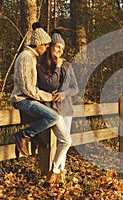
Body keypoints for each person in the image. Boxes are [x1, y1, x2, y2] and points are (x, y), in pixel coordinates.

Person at [11, 22, 59, 157]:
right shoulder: (26, 58)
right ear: (38, 44)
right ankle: (23, 135)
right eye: (45, 45)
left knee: (51, 113)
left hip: (27, 98)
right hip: (22, 100)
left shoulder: (31, 57)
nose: (47, 48)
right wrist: (49, 97)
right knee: (53, 116)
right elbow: (27, 88)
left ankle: (34, 136)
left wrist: (49, 95)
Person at [37, 30, 78, 186]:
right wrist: (58, 67)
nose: (60, 51)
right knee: (64, 140)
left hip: (66, 108)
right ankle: (54, 171)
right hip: (51, 108)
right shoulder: (42, 64)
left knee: (64, 143)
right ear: (50, 47)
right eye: (57, 47)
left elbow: (75, 88)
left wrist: (64, 93)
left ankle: (59, 174)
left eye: (62, 48)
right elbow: (46, 84)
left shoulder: (67, 65)